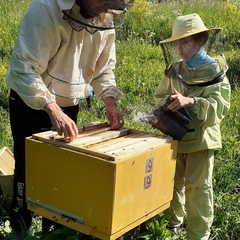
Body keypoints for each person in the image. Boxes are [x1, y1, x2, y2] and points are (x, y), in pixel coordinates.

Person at [5, 0, 134, 239]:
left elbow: (104, 68)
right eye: (103, 4)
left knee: (60, 168)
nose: (105, 11)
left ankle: (52, 227)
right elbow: (25, 67)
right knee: (27, 166)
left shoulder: (103, 18)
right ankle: (20, 226)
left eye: (111, 6)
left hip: (68, 103)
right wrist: (51, 108)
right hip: (29, 101)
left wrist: (110, 102)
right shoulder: (45, 11)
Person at [153, 13, 231, 239]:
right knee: (172, 183)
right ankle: (172, 223)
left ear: (201, 40)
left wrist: (192, 102)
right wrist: (167, 102)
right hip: (175, 137)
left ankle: (198, 234)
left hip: (200, 140)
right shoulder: (176, 67)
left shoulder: (215, 70)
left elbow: (220, 107)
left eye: (184, 42)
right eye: (176, 43)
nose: (179, 48)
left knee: (198, 190)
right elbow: (160, 95)